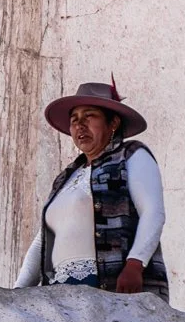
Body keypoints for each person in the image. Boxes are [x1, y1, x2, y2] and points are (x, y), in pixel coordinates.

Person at [15, 79, 168, 299]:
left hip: (109, 284)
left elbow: (153, 212)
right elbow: (43, 239)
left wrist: (135, 263)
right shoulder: (66, 177)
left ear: (113, 122)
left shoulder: (131, 155)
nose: (80, 125)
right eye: (74, 119)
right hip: (59, 291)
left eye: (89, 116)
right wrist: (19, 290)